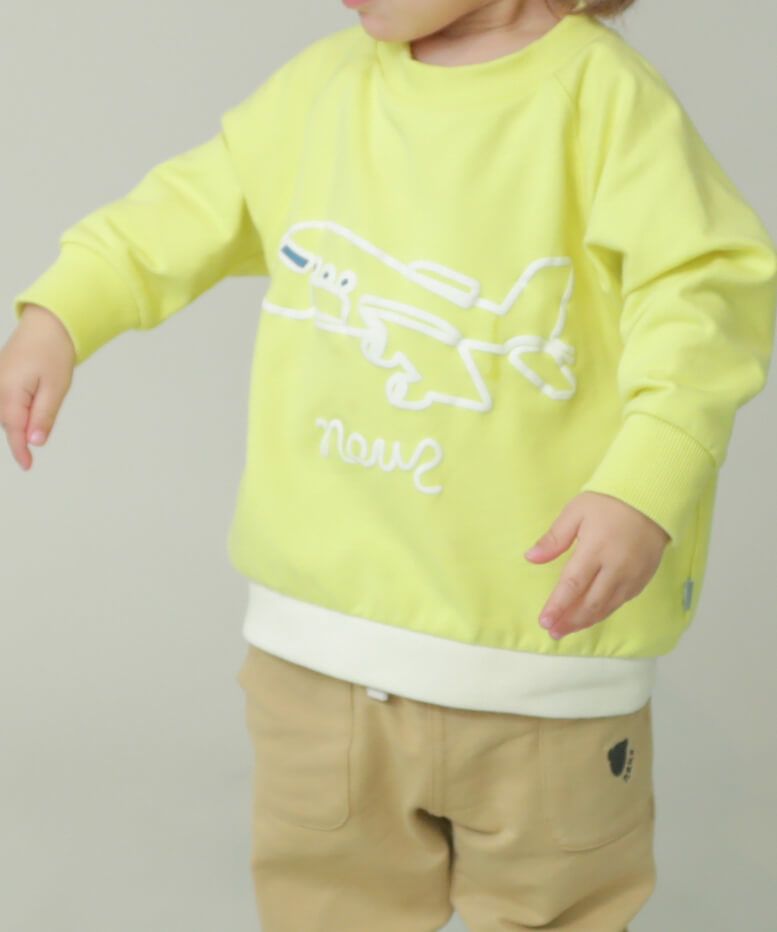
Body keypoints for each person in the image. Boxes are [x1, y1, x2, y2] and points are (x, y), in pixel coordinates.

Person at [2, 0, 776, 928]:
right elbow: (178, 212)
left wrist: (647, 479)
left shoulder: (603, 101)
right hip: (316, 667)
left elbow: (707, 297)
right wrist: (61, 312)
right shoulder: (323, 89)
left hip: (542, 675)